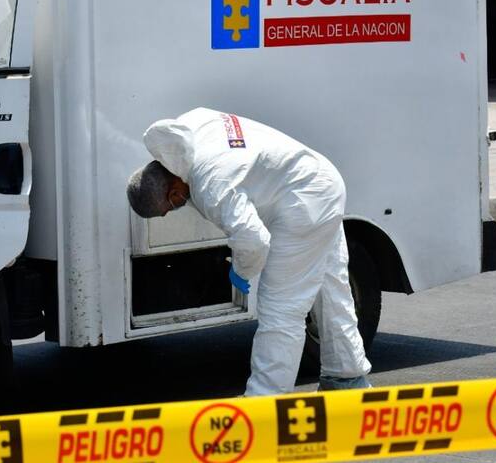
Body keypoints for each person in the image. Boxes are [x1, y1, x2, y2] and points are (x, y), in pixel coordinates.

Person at [127, 108, 372, 396]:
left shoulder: (209, 185)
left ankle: (265, 401)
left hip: (305, 200)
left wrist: (240, 270)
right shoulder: (186, 130)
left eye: (169, 209)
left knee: (280, 307)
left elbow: (254, 240)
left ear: (174, 194)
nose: (176, 209)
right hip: (319, 178)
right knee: (330, 288)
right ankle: (347, 379)